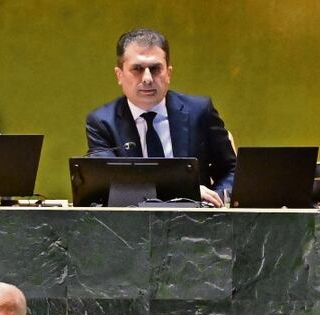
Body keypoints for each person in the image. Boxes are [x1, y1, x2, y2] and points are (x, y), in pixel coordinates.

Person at [85, 28, 236, 207]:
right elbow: (107, 185)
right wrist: (185, 192)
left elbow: (232, 170)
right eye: (137, 69)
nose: (147, 78)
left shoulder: (200, 111)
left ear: (169, 73)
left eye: (155, 69)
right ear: (119, 75)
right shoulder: (102, 122)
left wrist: (215, 199)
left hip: (198, 222)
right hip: (131, 225)